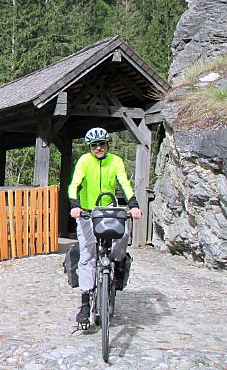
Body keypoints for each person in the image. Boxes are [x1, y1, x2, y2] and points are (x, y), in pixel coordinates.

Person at [68, 127, 142, 325]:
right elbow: (74, 184)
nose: (98, 148)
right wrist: (75, 206)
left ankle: (116, 266)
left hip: (108, 211)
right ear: (90, 147)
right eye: (94, 145)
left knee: (124, 233)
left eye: (102, 144)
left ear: (108, 144)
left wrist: (133, 204)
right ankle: (85, 303)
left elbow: (124, 183)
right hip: (86, 212)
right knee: (87, 255)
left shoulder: (115, 161)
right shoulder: (84, 161)